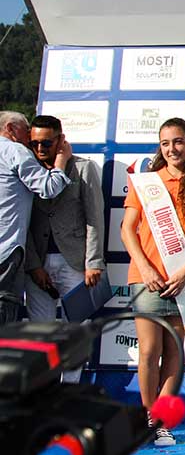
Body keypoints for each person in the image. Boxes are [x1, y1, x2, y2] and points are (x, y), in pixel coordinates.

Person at [122, 118, 185, 447]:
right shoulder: (146, 184)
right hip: (147, 278)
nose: (172, 149)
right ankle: (147, 418)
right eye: (165, 143)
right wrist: (145, 267)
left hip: (184, 282)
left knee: (175, 353)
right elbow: (127, 230)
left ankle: (161, 422)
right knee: (149, 351)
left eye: (178, 141)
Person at [24, 115, 106, 383]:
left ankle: (69, 390)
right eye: (34, 143)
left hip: (75, 263)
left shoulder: (83, 168)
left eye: (46, 143)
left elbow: (95, 217)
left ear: (61, 140)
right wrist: (33, 265)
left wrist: (93, 261)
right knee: (41, 334)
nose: (40, 149)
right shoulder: (26, 170)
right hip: (37, 264)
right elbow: (21, 223)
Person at [0, 111, 72, 325]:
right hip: (5, 251)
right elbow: (49, 188)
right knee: (4, 313)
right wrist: (62, 160)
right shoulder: (14, 150)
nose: (29, 140)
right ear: (11, 128)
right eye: (27, 131)